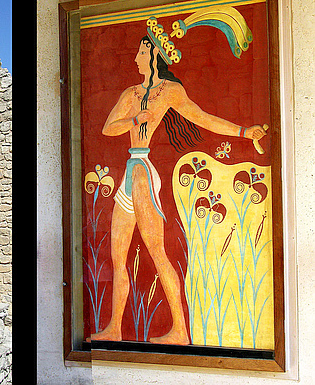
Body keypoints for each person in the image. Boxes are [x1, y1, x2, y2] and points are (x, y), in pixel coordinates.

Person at [89, 34, 267, 345]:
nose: (136, 57)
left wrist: (243, 131)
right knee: (117, 256)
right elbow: (108, 128)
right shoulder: (130, 93)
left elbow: (202, 118)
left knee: (157, 253)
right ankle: (115, 328)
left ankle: (180, 331)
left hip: (143, 173)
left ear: (154, 56)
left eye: (141, 51)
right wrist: (135, 118)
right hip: (130, 170)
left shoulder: (170, 91)